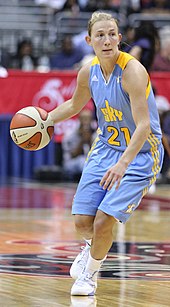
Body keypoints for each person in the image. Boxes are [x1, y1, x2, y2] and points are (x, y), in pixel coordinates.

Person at [49, 11, 164, 296]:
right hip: (106, 150)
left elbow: (144, 126)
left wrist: (123, 164)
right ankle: (92, 246)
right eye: (100, 35)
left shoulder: (133, 71)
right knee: (82, 222)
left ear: (120, 38)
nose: (107, 39)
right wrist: (46, 120)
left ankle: (89, 276)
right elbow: (75, 105)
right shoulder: (88, 71)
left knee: (102, 221)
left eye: (112, 33)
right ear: (89, 40)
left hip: (140, 154)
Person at [62, 109, 97, 181]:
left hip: (90, 162)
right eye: (84, 119)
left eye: (88, 119)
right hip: (71, 163)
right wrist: (82, 141)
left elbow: (96, 154)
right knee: (83, 161)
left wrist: (89, 140)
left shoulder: (95, 134)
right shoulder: (70, 134)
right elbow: (72, 155)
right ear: (79, 120)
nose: (86, 122)